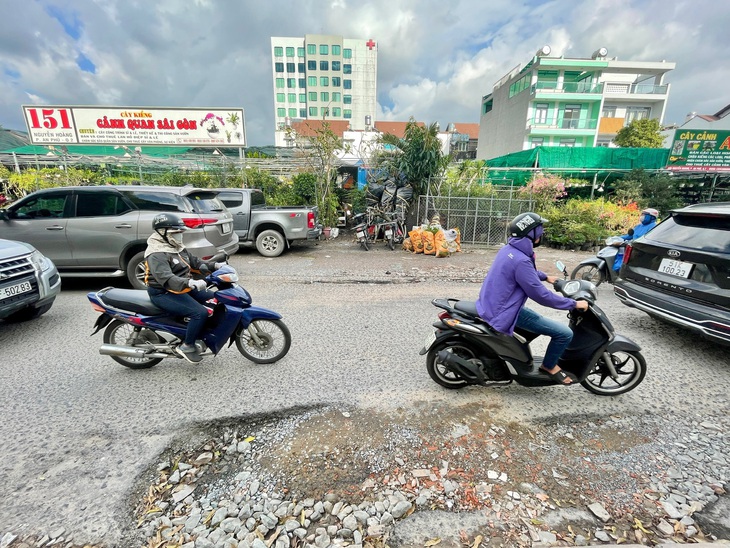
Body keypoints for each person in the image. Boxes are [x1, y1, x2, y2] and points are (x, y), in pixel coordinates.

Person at [475, 212, 589, 385]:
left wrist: (544, 276)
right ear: (530, 233)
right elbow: (541, 295)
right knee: (564, 333)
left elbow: (524, 274)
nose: (542, 233)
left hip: (494, 305)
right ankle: (549, 366)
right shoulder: (521, 259)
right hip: (505, 311)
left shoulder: (509, 250)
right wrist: (573, 304)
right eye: (539, 230)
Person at [144, 213, 225, 363]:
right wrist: (189, 283)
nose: (180, 235)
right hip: (164, 292)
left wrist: (215, 266)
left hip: (183, 287)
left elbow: (195, 263)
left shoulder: (176, 247)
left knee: (217, 299)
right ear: (163, 232)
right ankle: (187, 345)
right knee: (199, 313)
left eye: (181, 232)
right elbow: (166, 278)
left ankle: (203, 332)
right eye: (176, 233)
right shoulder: (156, 253)